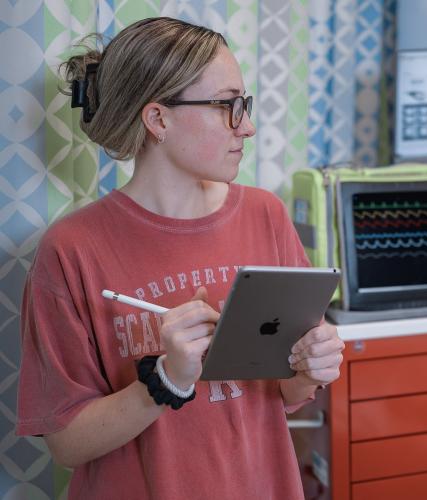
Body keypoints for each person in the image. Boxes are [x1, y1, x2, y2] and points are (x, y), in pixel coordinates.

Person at [15, 17, 344, 500]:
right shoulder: (71, 249)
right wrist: (164, 380)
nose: (247, 127)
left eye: (244, 105)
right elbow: (66, 443)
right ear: (158, 120)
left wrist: (310, 368)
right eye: (227, 106)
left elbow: (285, 393)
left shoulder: (265, 215)